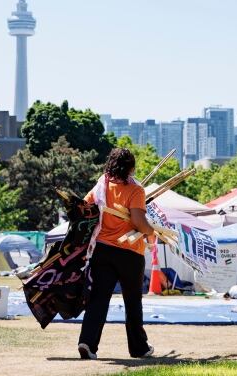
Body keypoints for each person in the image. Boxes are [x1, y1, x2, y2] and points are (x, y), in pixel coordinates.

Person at [78, 147, 155, 360]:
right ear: (131, 167)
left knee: (98, 299)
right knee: (132, 301)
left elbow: (84, 207)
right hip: (129, 252)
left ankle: (87, 342)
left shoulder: (101, 185)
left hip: (102, 250)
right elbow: (139, 223)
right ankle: (139, 348)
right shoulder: (135, 190)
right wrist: (152, 230)